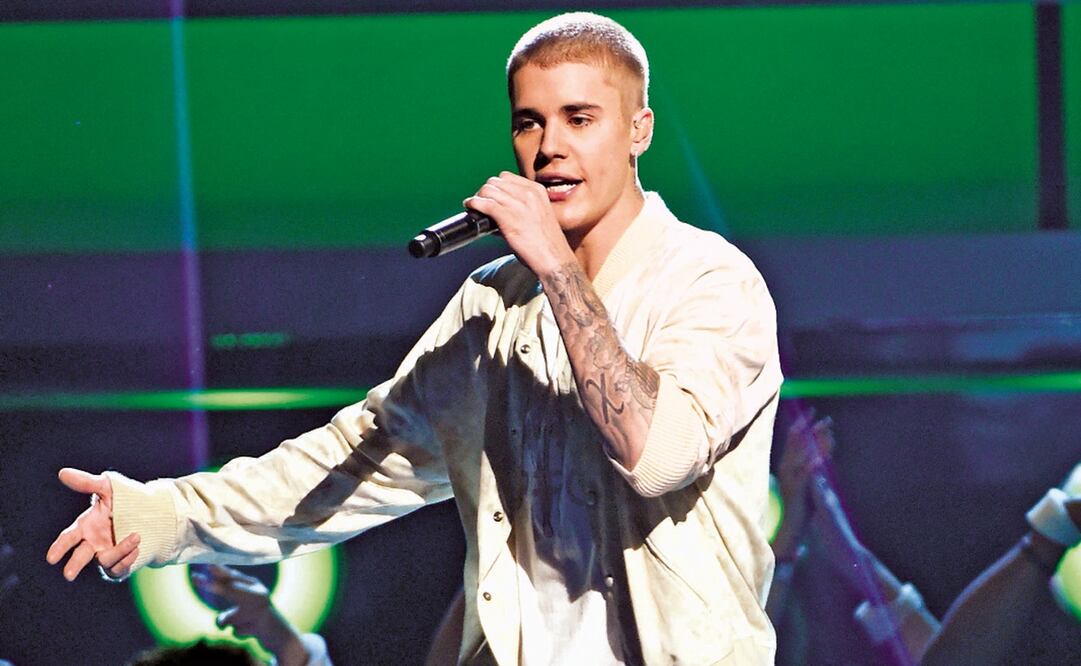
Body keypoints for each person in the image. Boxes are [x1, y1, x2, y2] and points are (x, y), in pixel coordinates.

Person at [46, 12, 782, 665]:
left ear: (638, 130)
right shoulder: (492, 303)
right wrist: (168, 514)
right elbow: (353, 458)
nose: (548, 146)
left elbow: (656, 456)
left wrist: (555, 265)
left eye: (579, 118)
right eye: (529, 122)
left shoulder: (710, 281)